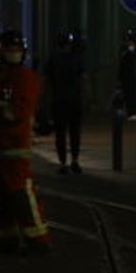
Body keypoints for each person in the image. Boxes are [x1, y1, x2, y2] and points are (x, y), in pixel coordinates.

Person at [0, 30, 52, 256]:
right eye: (9, 49)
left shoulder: (25, 78)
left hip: (14, 147)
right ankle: (8, 238)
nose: (13, 53)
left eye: (16, 50)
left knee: (21, 194)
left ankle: (38, 240)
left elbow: (19, 111)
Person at [44, 30, 87, 174]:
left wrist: (46, 100)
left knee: (60, 133)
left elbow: (47, 81)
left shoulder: (53, 59)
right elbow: (83, 80)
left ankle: (63, 163)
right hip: (74, 100)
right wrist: (88, 99)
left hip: (59, 101)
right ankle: (75, 160)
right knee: (75, 132)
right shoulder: (77, 58)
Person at [118, 32, 136, 118]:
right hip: (127, 76)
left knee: (133, 95)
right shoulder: (124, 51)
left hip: (132, 76)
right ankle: (129, 111)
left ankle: (132, 111)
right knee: (127, 95)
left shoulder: (134, 51)